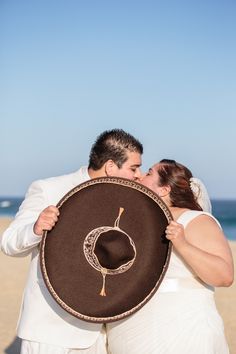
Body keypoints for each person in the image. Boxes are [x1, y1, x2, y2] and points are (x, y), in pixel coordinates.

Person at [1, 129, 143, 354]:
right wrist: (36, 228)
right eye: (134, 168)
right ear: (110, 166)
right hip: (49, 330)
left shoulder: (126, 200)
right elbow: (8, 243)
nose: (138, 175)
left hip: (97, 333)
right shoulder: (48, 189)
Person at [106, 159, 234, 354]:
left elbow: (224, 276)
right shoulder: (132, 221)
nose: (139, 175)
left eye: (149, 173)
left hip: (179, 327)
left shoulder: (195, 220)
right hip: (131, 330)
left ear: (164, 189)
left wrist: (182, 243)